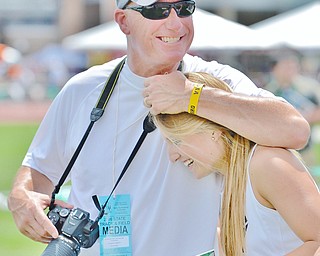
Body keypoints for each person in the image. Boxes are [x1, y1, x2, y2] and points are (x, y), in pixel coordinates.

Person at [7, 1, 310, 255]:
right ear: (124, 21)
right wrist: (22, 198)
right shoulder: (81, 91)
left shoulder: (215, 80)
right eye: (158, 11)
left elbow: (294, 129)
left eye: (184, 8)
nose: (176, 24)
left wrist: (193, 97)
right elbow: (40, 171)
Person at [153, 71, 320, 256]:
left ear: (212, 130)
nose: (172, 156)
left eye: (176, 141)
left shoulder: (266, 164)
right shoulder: (228, 184)